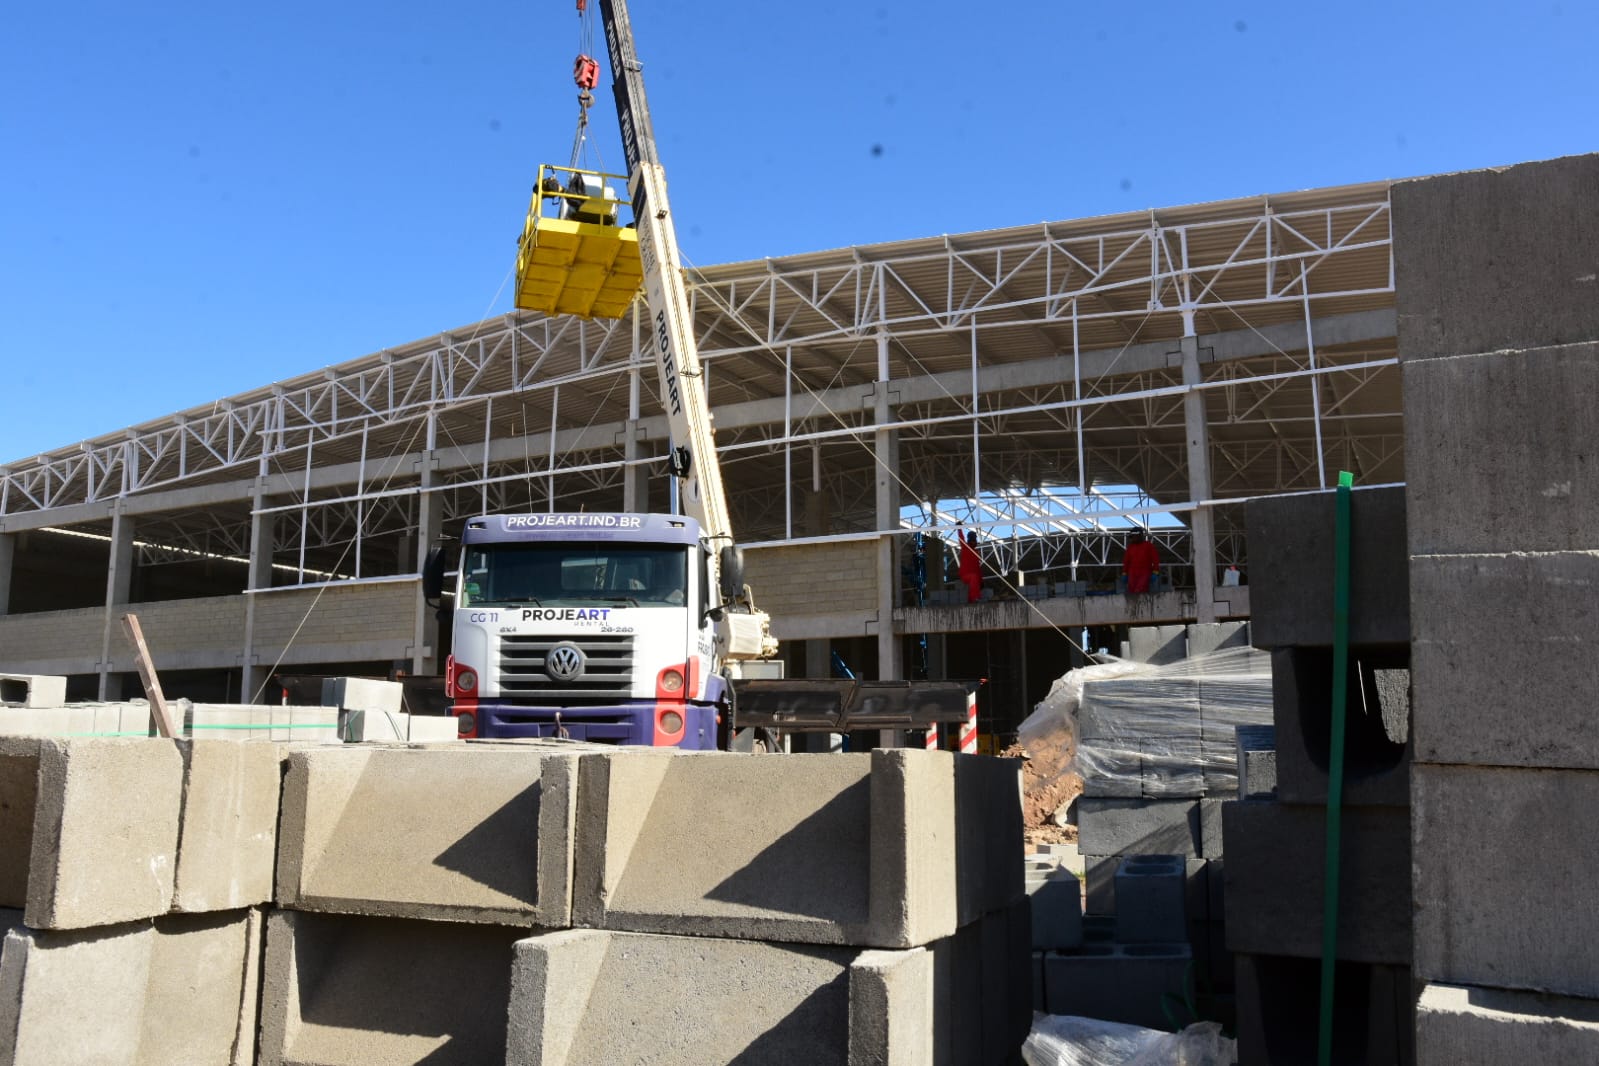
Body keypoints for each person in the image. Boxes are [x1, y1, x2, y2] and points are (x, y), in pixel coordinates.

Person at [958, 527, 983, 603]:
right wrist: (959, 528)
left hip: (973, 575)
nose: (974, 541)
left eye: (974, 539)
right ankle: (974, 598)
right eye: (973, 539)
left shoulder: (976, 553)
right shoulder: (965, 547)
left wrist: (981, 580)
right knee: (974, 577)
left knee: (975, 578)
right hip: (965, 575)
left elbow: (977, 568)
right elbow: (961, 538)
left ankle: (972, 599)